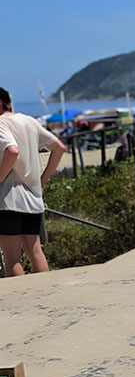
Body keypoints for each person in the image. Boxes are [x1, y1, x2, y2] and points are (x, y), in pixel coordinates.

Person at [0, 87, 66, 276]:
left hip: (7, 199)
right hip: (32, 197)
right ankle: (46, 294)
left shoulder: (1, 124)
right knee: (35, 251)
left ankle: (20, 302)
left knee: (11, 257)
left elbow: (12, 151)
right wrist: (43, 179)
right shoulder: (29, 121)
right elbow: (59, 147)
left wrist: (0, 176)